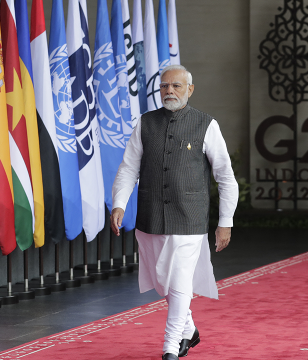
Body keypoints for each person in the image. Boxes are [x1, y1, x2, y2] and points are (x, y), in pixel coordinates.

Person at [110, 64, 238, 360]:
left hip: (189, 218)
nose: (169, 91)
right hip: (150, 216)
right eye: (164, 86)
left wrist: (225, 222)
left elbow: (225, 176)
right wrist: (119, 203)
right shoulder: (145, 123)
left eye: (176, 86)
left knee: (180, 280)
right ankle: (189, 329)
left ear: (190, 90)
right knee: (162, 281)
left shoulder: (207, 124)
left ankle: (170, 346)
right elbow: (128, 168)